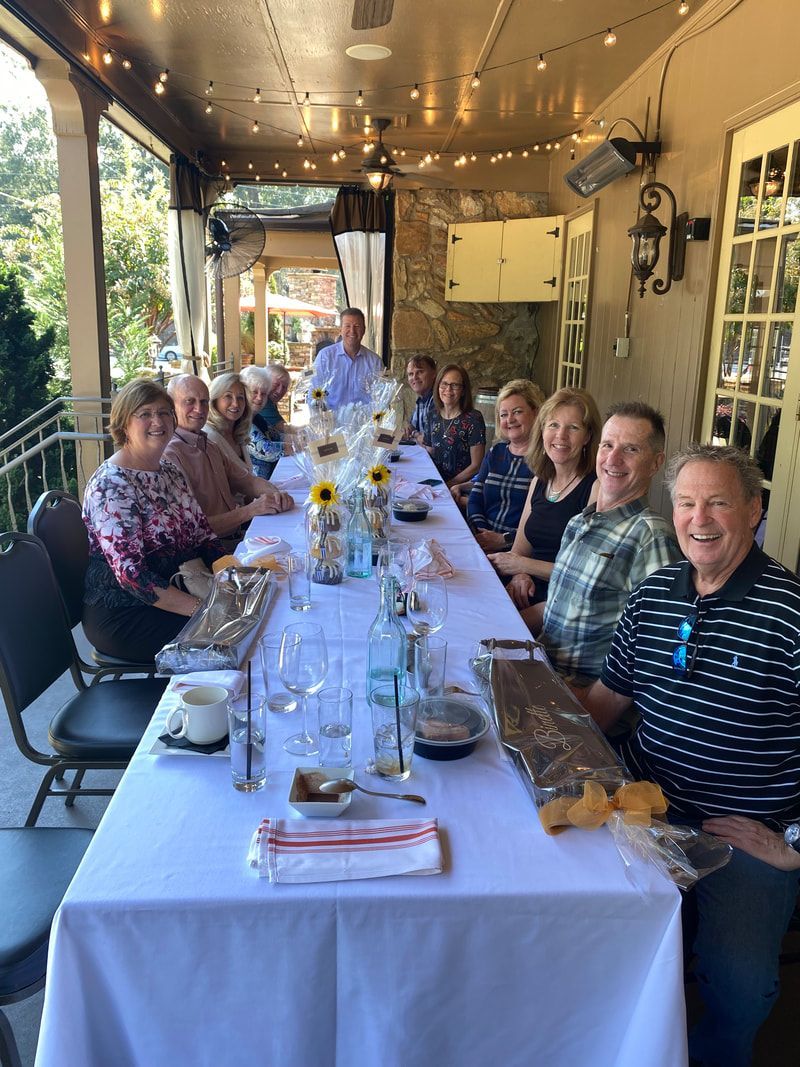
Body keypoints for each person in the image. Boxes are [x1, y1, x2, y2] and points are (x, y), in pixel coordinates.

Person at [581, 444, 800, 1067]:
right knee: (583, 931)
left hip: (744, 834)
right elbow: (606, 701)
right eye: (685, 502)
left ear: (754, 510)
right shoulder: (654, 592)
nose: (699, 519)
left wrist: (792, 843)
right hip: (645, 812)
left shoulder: (790, 616)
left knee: (739, 986)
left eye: (718, 502)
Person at [537, 401, 681, 691]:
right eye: (607, 445)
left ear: (656, 462)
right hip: (540, 672)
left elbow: (656, 651)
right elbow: (560, 605)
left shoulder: (650, 538)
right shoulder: (579, 522)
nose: (612, 459)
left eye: (631, 449)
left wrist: (589, 705)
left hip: (578, 698)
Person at [82, 379, 224, 662]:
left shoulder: (169, 471)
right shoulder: (111, 485)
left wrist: (234, 577)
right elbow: (133, 577)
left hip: (176, 591)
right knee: (231, 642)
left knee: (257, 613)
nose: (157, 421)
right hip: (126, 614)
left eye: (163, 412)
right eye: (145, 414)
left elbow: (203, 537)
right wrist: (206, 609)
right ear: (124, 424)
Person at [488, 387, 600, 619]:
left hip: (563, 603)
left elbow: (583, 575)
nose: (561, 436)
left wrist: (523, 566)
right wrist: (519, 576)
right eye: (554, 425)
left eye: (573, 428)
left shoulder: (594, 488)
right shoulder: (540, 480)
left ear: (588, 436)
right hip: (525, 589)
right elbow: (519, 550)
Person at [163, 374, 293, 540]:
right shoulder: (170, 455)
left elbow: (247, 481)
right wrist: (250, 510)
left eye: (203, 402)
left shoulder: (208, 444)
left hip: (236, 536)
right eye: (190, 401)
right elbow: (192, 528)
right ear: (171, 406)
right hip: (210, 551)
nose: (199, 409)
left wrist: (277, 495)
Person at [464, 379, 545, 550]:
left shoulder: (545, 460)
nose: (510, 420)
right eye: (504, 415)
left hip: (519, 551)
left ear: (536, 413)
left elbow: (543, 522)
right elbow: (475, 499)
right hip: (482, 541)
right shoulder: (496, 453)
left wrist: (503, 539)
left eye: (517, 412)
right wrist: (483, 533)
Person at [422, 363, 486, 489]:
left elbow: (476, 465)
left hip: (461, 487)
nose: (448, 389)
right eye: (444, 384)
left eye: (455, 385)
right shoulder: (432, 416)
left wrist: (450, 484)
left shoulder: (474, 419)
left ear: (463, 391)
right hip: (436, 483)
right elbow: (429, 453)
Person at [311, 307, 382, 408]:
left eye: (357, 326)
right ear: (340, 329)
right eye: (347, 326)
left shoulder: (375, 362)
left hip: (364, 422)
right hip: (331, 421)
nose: (352, 331)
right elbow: (313, 391)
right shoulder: (325, 357)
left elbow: (381, 397)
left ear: (364, 330)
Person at [240, 364, 286, 479]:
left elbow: (277, 436)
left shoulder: (257, 417)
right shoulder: (242, 420)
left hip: (269, 479)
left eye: (264, 393)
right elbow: (266, 450)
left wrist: (305, 439)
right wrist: (298, 445)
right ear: (243, 392)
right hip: (253, 488)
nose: (260, 398)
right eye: (254, 392)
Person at [204, 372, 253, 480]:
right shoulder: (209, 437)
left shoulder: (237, 433)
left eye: (240, 397)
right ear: (214, 400)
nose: (235, 404)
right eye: (228, 396)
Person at [406, 354, 437, 442]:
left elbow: (428, 440)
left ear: (433, 374)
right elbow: (412, 427)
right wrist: (408, 430)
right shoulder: (421, 400)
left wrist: (414, 434)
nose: (414, 377)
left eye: (420, 372)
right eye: (411, 374)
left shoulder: (437, 400)